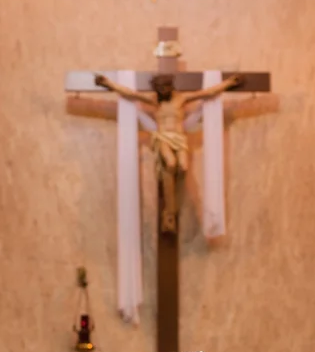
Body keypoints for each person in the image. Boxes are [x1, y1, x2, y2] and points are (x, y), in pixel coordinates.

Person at [93, 73, 242, 233]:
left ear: (171, 87)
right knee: (170, 163)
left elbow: (207, 93)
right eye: (160, 88)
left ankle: (172, 208)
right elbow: (130, 94)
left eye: (165, 87)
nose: (163, 90)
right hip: (163, 137)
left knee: (183, 167)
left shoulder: (181, 99)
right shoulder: (154, 101)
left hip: (179, 138)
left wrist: (227, 84)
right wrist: (109, 84)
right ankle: (169, 212)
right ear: (156, 89)